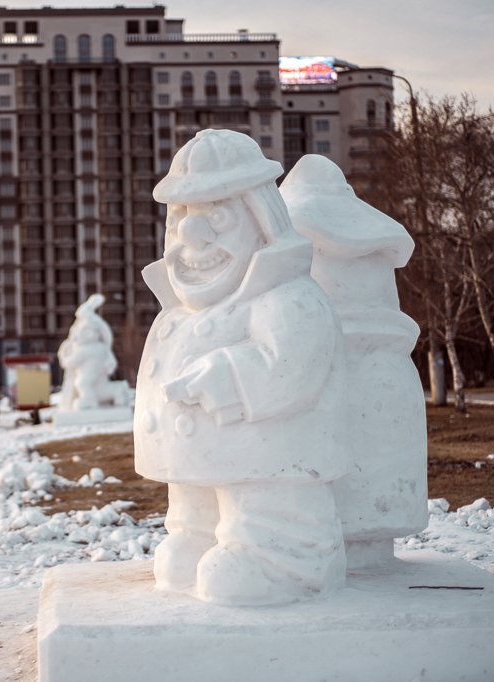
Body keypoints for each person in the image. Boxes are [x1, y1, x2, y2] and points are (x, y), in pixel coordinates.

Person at [134, 129, 348, 606]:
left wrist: (230, 376)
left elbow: (291, 366)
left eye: (219, 213)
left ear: (259, 218)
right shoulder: (181, 311)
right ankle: (198, 531)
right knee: (195, 495)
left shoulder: (287, 298)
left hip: (274, 475)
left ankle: (285, 556)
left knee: (260, 494)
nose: (193, 232)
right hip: (198, 462)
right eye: (183, 215)